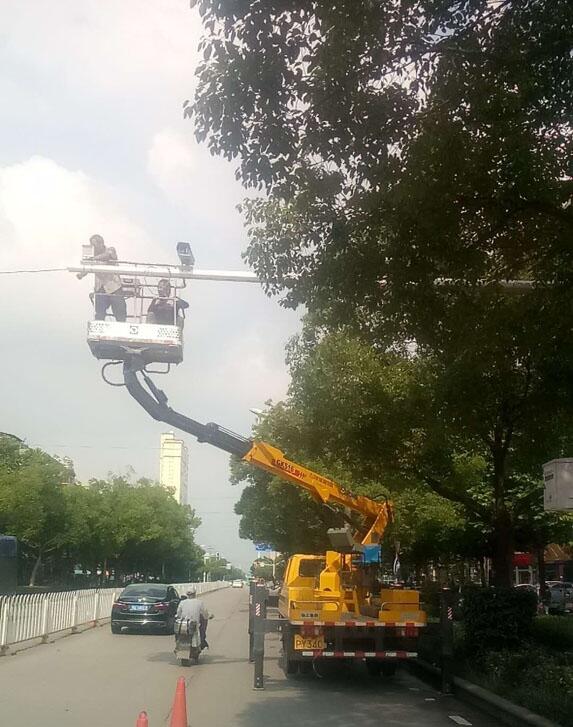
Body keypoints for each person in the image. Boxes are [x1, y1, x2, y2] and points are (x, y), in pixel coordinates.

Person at [77, 234, 127, 322]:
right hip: (100, 288)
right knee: (99, 315)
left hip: (114, 287)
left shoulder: (111, 250)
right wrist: (81, 274)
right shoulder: (93, 257)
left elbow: (108, 255)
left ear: (101, 244)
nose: (93, 248)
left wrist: (93, 258)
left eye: (94, 245)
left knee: (120, 313)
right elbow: (89, 268)